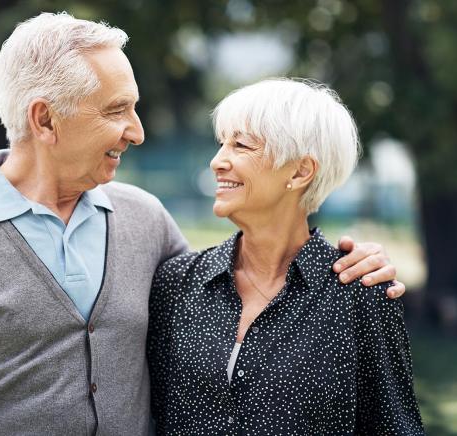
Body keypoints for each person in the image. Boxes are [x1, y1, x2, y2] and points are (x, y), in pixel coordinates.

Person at [0, 13, 405, 435]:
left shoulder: (144, 221)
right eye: (116, 110)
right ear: (44, 119)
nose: (137, 131)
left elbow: (248, 274)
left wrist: (363, 265)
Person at [148, 79, 424, 435]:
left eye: (241, 145)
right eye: (221, 144)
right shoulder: (177, 283)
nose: (217, 161)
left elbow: (395, 427)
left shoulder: (361, 293)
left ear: (300, 171)